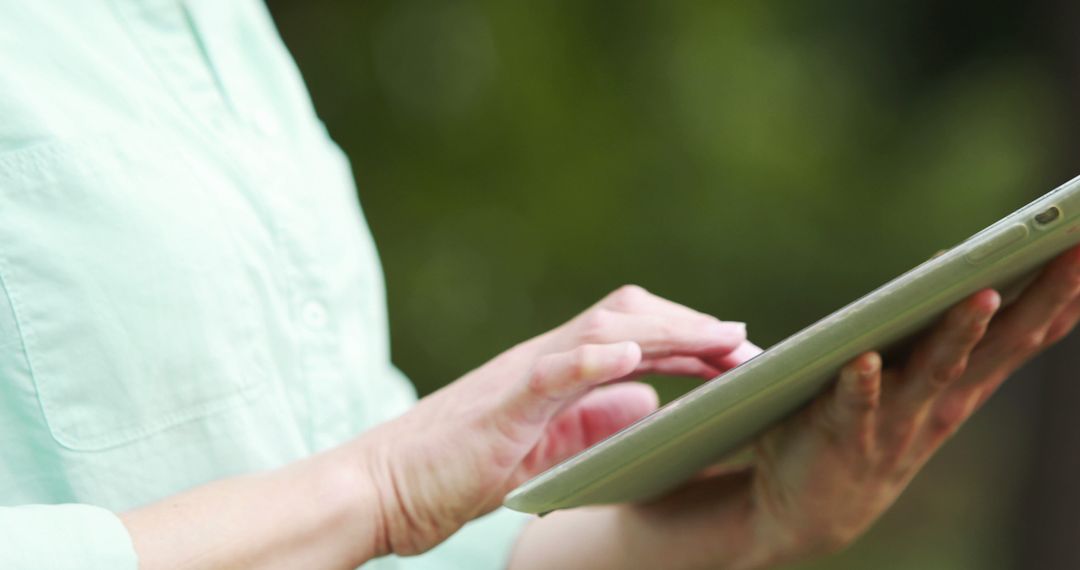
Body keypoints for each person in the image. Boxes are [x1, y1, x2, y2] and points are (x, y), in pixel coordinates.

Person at [1, 2, 1078, 569]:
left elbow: (364, 551)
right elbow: (365, 507)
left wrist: (757, 518)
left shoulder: (215, 31)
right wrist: (378, 489)